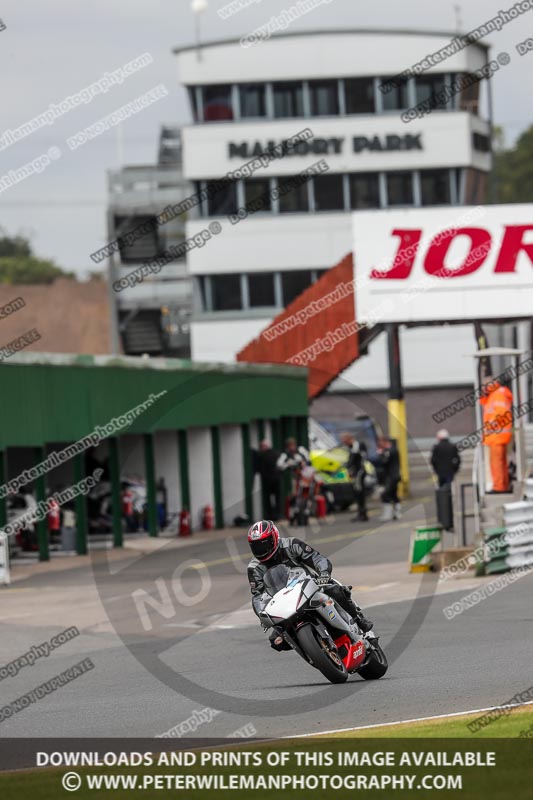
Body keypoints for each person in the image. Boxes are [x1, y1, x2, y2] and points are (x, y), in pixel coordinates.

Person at [247, 519, 373, 651]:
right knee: (276, 641)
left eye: (264, 544)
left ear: (275, 537)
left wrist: (323, 573)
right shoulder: (254, 568)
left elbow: (317, 558)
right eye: (256, 546)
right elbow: (258, 595)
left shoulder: (291, 544)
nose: (261, 550)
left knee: (336, 590)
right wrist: (262, 613)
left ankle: (358, 619)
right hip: (284, 603)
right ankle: (313, 651)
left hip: (311, 586)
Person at [479, 376, 513, 493]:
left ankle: (499, 487)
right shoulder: (494, 394)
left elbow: (501, 414)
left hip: (496, 436)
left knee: (496, 463)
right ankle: (503, 486)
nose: (483, 388)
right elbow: (484, 403)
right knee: (501, 463)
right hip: (498, 436)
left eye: (485, 385)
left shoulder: (497, 394)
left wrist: (490, 428)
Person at [340, 432, 368, 522]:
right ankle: (361, 513)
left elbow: (356, 459)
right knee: (357, 493)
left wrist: (349, 466)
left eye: (345, 440)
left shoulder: (357, 445)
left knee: (360, 492)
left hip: (360, 472)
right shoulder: (351, 447)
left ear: (349, 439)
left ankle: (363, 514)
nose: (344, 443)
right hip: (356, 472)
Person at [253, 439, 281, 520]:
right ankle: (277, 514)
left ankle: (269, 515)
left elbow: (258, 467)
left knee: (268, 499)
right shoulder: (276, 454)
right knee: (277, 498)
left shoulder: (261, 456)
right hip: (276, 479)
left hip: (267, 480)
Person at [377, 437, 402, 521]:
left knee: (385, 494)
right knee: (393, 494)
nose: (380, 445)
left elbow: (383, 462)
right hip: (394, 476)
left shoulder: (389, 451)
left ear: (385, 442)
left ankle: (388, 514)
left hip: (391, 477)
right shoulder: (393, 450)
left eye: (380, 443)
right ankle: (397, 513)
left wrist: (380, 454)